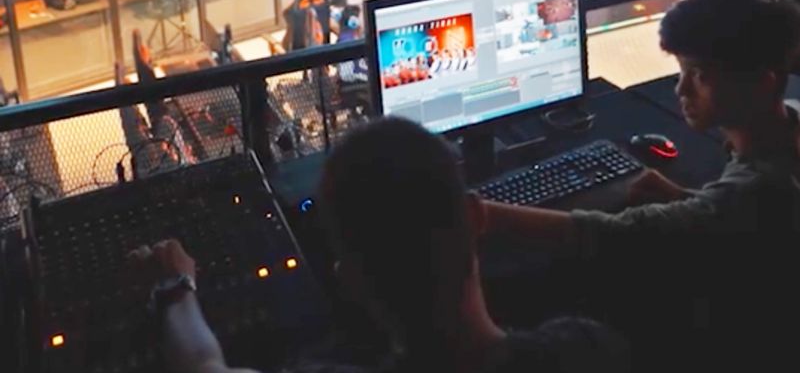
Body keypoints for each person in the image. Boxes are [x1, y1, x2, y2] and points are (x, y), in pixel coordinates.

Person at [484, 0, 800, 367]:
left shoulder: (757, 193)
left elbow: (611, 235)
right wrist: (685, 199)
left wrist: (486, 212)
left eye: (698, 74)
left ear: (762, 84)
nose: (680, 89)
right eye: (681, 70)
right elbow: (748, 225)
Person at [128, 118, 628, 373]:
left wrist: (176, 287)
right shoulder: (587, 349)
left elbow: (205, 367)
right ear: (477, 220)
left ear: (351, 281)